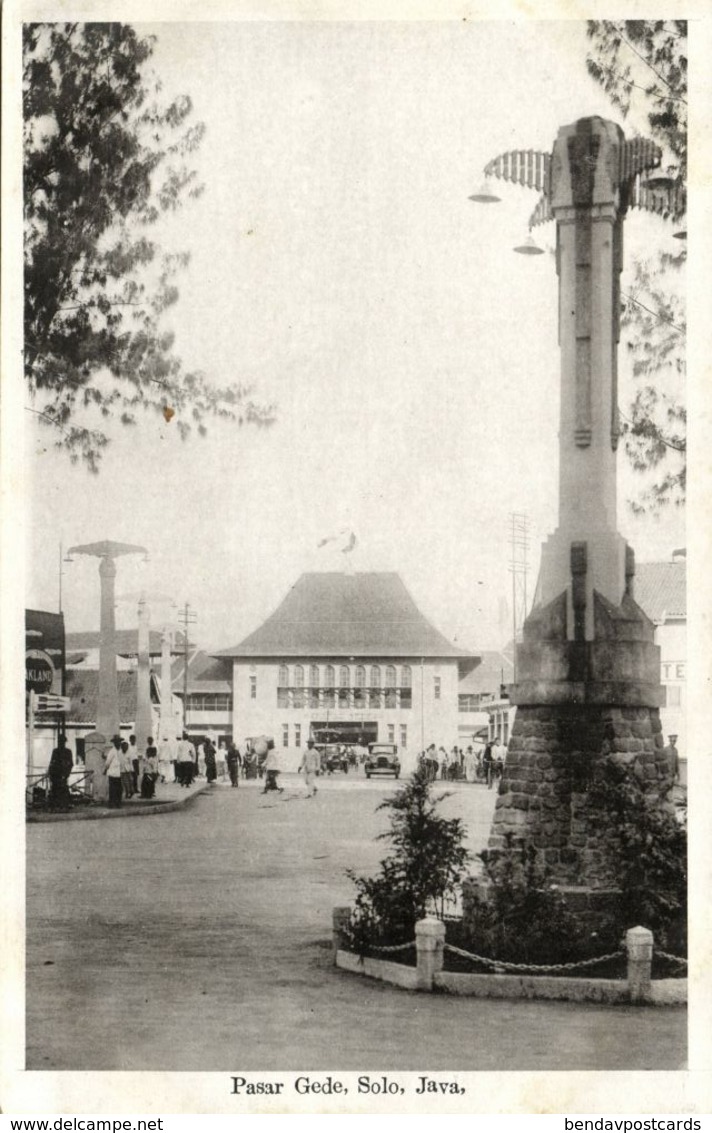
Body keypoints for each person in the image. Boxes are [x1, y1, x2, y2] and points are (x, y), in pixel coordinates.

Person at [48, 734, 73, 809]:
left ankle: (63, 805)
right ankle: (55, 806)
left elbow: (70, 764)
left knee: (63, 789)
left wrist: (67, 773)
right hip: (55, 774)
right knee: (55, 789)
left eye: (62, 742)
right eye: (60, 742)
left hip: (63, 773)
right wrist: (50, 772)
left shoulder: (68, 752)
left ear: (64, 742)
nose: (61, 743)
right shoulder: (55, 751)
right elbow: (52, 762)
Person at [103, 736, 123, 808]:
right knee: (112, 789)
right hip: (112, 773)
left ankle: (118, 803)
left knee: (119, 789)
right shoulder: (112, 751)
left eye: (119, 742)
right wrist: (105, 769)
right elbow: (108, 762)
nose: (119, 743)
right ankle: (111, 804)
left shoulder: (120, 751)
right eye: (117, 742)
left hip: (119, 773)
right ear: (114, 743)